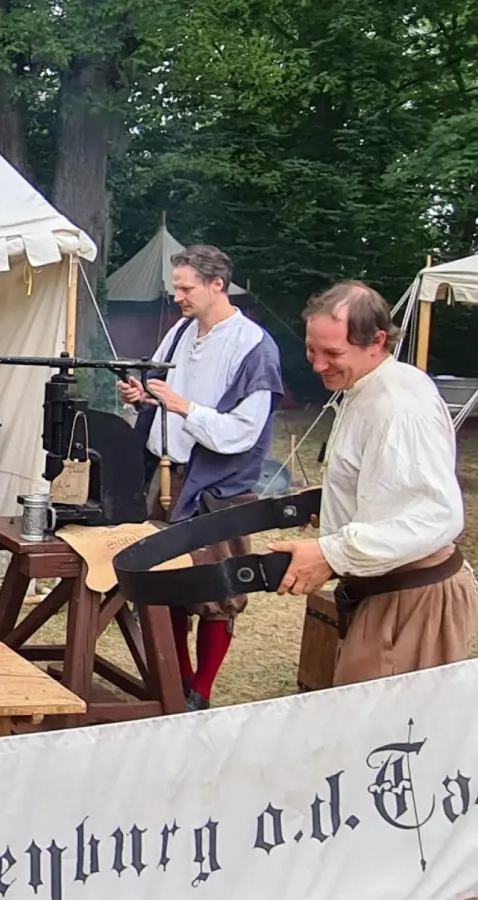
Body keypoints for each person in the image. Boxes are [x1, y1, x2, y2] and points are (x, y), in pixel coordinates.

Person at [269, 282, 477, 685]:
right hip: (385, 593)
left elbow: (431, 516)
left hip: (412, 599)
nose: (317, 364)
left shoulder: (398, 407)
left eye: (332, 353)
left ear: (377, 341)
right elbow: (383, 486)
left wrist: (330, 553)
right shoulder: (367, 386)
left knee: (390, 740)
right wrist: (336, 508)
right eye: (313, 349)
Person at [119, 244, 282, 711]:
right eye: (177, 288)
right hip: (166, 477)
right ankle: (180, 681)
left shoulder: (254, 346)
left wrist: (183, 406)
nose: (179, 297)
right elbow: (160, 390)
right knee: (164, 585)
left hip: (217, 487)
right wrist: (141, 395)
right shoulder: (178, 334)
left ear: (217, 285)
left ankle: (201, 690)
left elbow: (244, 432)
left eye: (187, 288)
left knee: (219, 591)